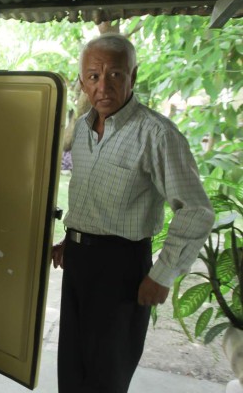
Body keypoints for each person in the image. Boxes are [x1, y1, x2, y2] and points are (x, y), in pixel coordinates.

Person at [51, 33, 214, 393]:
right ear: (81, 82)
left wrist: (164, 273)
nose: (103, 85)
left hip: (121, 269)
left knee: (107, 374)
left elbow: (197, 211)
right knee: (72, 367)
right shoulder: (81, 129)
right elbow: (89, 192)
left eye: (115, 75)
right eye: (93, 76)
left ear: (133, 77)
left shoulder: (156, 134)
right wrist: (71, 236)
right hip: (78, 262)